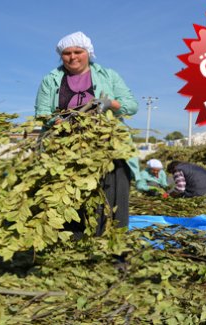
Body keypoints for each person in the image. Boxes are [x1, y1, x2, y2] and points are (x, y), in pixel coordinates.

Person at [35, 31, 138, 233]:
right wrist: (59, 121)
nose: (73, 57)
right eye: (67, 53)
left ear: (88, 53)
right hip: (64, 149)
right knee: (69, 201)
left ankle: (112, 248)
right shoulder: (51, 79)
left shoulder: (108, 75)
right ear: (61, 56)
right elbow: (42, 113)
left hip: (108, 147)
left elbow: (131, 106)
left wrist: (110, 103)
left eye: (77, 51)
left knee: (109, 199)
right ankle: (73, 248)